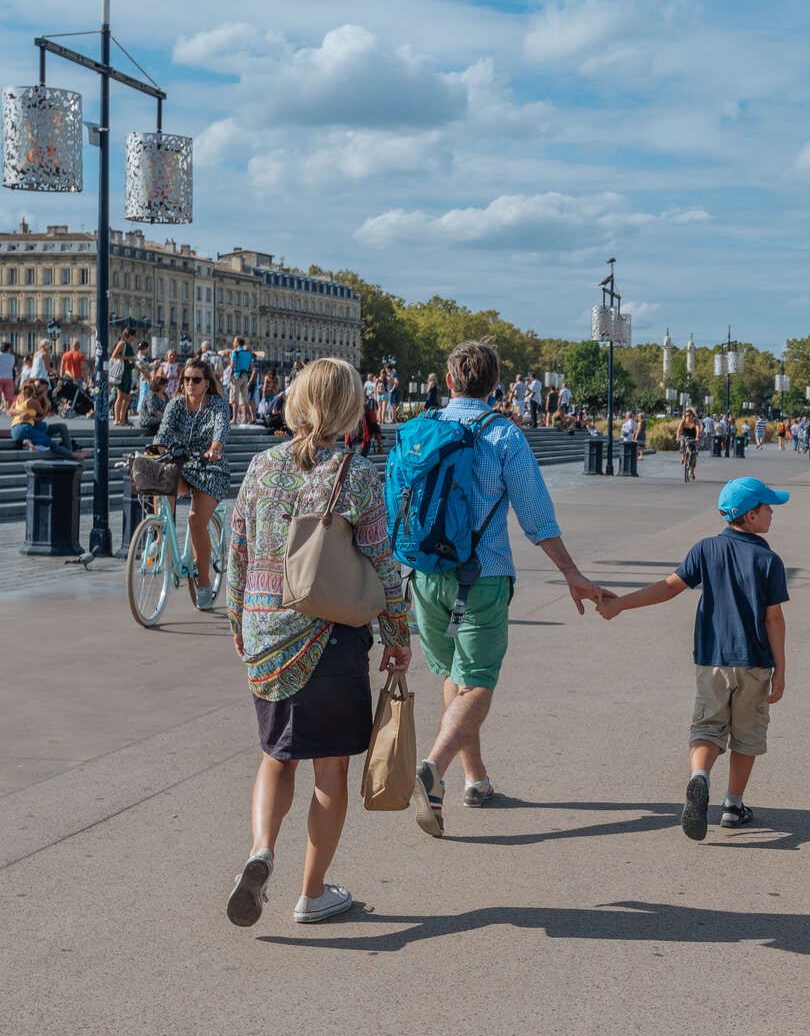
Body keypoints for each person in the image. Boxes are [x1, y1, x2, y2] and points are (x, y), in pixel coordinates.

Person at [224, 357, 410, 927]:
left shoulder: (260, 466)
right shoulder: (355, 474)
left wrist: (239, 623)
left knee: (276, 758)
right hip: (330, 637)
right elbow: (383, 564)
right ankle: (311, 893)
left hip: (267, 635)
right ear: (351, 408)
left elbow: (237, 551)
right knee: (329, 774)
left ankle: (260, 850)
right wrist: (397, 635)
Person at [408, 341, 608, 835]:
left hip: (427, 574)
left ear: (448, 380)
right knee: (476, 681)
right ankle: (434, 766)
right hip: (484, 574)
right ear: (496, 385)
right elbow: (536, 515)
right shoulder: (503, 435)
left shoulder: (420, 429)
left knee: (454, 673)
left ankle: (474, 779)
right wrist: (571, 573)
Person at [598, 477, 789, 837]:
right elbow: (774, 618)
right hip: (755, 661)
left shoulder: (705, 549)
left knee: (707, 726)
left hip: (711, 659)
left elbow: (669, 588)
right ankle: (733, 804)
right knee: (746, 735)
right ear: (750, 516)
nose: (772, 512)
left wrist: (621, 604)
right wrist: (780, 669)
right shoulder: (768, 559)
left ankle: (699, 777)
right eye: (767, 507)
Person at [155, 358, 232, 611]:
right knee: (160, 480)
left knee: (195, 520)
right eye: (186, 379)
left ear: (207, 383)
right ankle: (158, 535)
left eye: (195, 380)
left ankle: (204, 582)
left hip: (210, 466)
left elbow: (220, 431)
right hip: (183, 462)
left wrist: (214, 449)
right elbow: (164, 432)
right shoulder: (176, 404)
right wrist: (156, 450)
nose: (189, 384)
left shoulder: (218, 405)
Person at [9, 379, 83, 458]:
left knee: (61, 427)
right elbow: (41, 414)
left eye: (45, 389)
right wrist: (46, 405)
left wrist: (32, 415)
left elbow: (39, 417)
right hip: (26, 427)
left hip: (24, 427)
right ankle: (71, 455)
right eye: (38, 387)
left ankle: (29, 442)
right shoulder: (32, 400)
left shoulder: (29, 398)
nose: (42, 390)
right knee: (48, 441)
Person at [110, 331, 138, 426]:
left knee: (127, 397)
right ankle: (117, 419)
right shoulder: (122, 343)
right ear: (129, 335)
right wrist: (128, 358)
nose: (134, 337)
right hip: (121, 373)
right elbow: (114, 355)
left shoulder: (129, 345)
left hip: (127, 372)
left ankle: (122, 419)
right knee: (120, 396)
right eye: (133, 335)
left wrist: (133, 360)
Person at [226, 337, 257, 424]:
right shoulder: (248, 353)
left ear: (237, 343)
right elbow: (251, 366)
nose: (233, 343)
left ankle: (234, 419)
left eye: (234, 341)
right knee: (244, 399)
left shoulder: (235, 352)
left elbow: (232, 366)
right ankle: (245, 419)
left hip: (236, 376)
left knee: (234, 398)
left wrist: (229, 379)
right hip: (245, 376)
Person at [0, 342, 18, 411]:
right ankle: (8, 410)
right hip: (9, 377)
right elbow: (12, 366)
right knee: (9, 396)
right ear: (8, 349)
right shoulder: (12, 356)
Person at [678, 408, 701, 482]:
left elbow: (698, 430)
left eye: (689, 415)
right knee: (682, 442)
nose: (687, 416)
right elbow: (679, 430)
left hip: (692, 437)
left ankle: (691, 471)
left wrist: (697, 437)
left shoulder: (695, 421)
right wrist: (677, 437)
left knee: (693, 454)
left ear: (692, 415)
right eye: (686, 415)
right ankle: (683, 455)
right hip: (684, 436)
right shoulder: (683, 420)